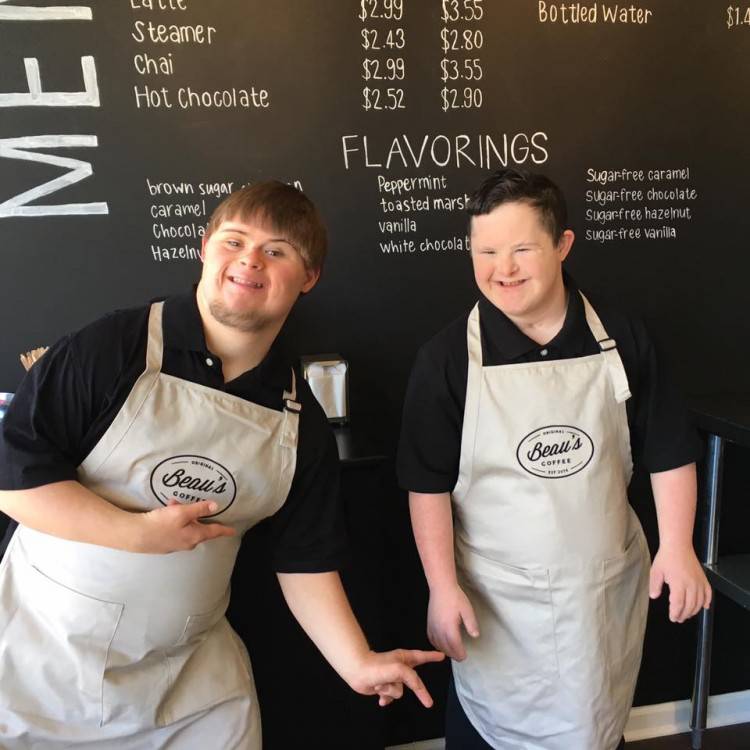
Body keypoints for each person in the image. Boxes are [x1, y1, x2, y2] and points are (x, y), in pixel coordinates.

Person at [0, 181, 443, 749]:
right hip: (39, 668)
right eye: (235, 241)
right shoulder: (110, 348)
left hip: (187, 691)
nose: (250, 260)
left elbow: (305, 560)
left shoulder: (298, 419)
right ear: (205, 248)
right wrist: (136, 534)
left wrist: (357, 662)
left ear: (308, 277)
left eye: (277, 250)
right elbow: (13, 478)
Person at [397, 168, 712, 750]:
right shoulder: (446, 359)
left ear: (562, 245)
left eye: (522, 250)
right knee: (489, 729)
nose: (503, 269)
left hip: (601, 594)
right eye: (486, 252)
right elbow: (427, 486)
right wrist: (441, 587)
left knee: (593, 724)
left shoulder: (623, 339)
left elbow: (669, 449)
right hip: (496, 604)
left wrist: (677, 546)